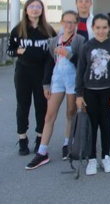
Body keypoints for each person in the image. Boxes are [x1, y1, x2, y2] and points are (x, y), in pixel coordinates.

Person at [25, 11, 85, 170]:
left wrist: (69, 54)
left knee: (70, 113)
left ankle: (67, 144)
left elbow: (82, 64)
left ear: (76, 24)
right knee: (49, 115)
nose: (69, 25)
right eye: (66, 22)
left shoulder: (80, 40)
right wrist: (46, 85)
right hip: (57, 80)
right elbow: (49, 64)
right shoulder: (53, 41)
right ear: (61, 22)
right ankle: (42, 151)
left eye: (72, 22)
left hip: (73, 80)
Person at [7, 0, 56, 156]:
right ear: (26, 10)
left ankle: (40, 138)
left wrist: (49, 78)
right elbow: (9, 51)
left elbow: (53, 54)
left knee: (41, 107)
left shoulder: (48, 31)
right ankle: (22, 139)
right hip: (23, 72)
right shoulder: (18, 30)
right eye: (32, 6)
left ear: (42, 10)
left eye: (38, 6)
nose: (35, 9)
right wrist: (17, 52)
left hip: (41, 74)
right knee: (23, 106)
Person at [75, 13, 110, 175]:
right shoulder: (86, 46)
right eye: (98, 27)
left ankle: (106, 156)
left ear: (109, 28)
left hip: (107, 91)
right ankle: (92, 158)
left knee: (105, 124)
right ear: (92, 28)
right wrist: (79, 94)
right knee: (92, 125)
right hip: (89, 92)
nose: (101, 31)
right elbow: (80, 71)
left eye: (104, 27)